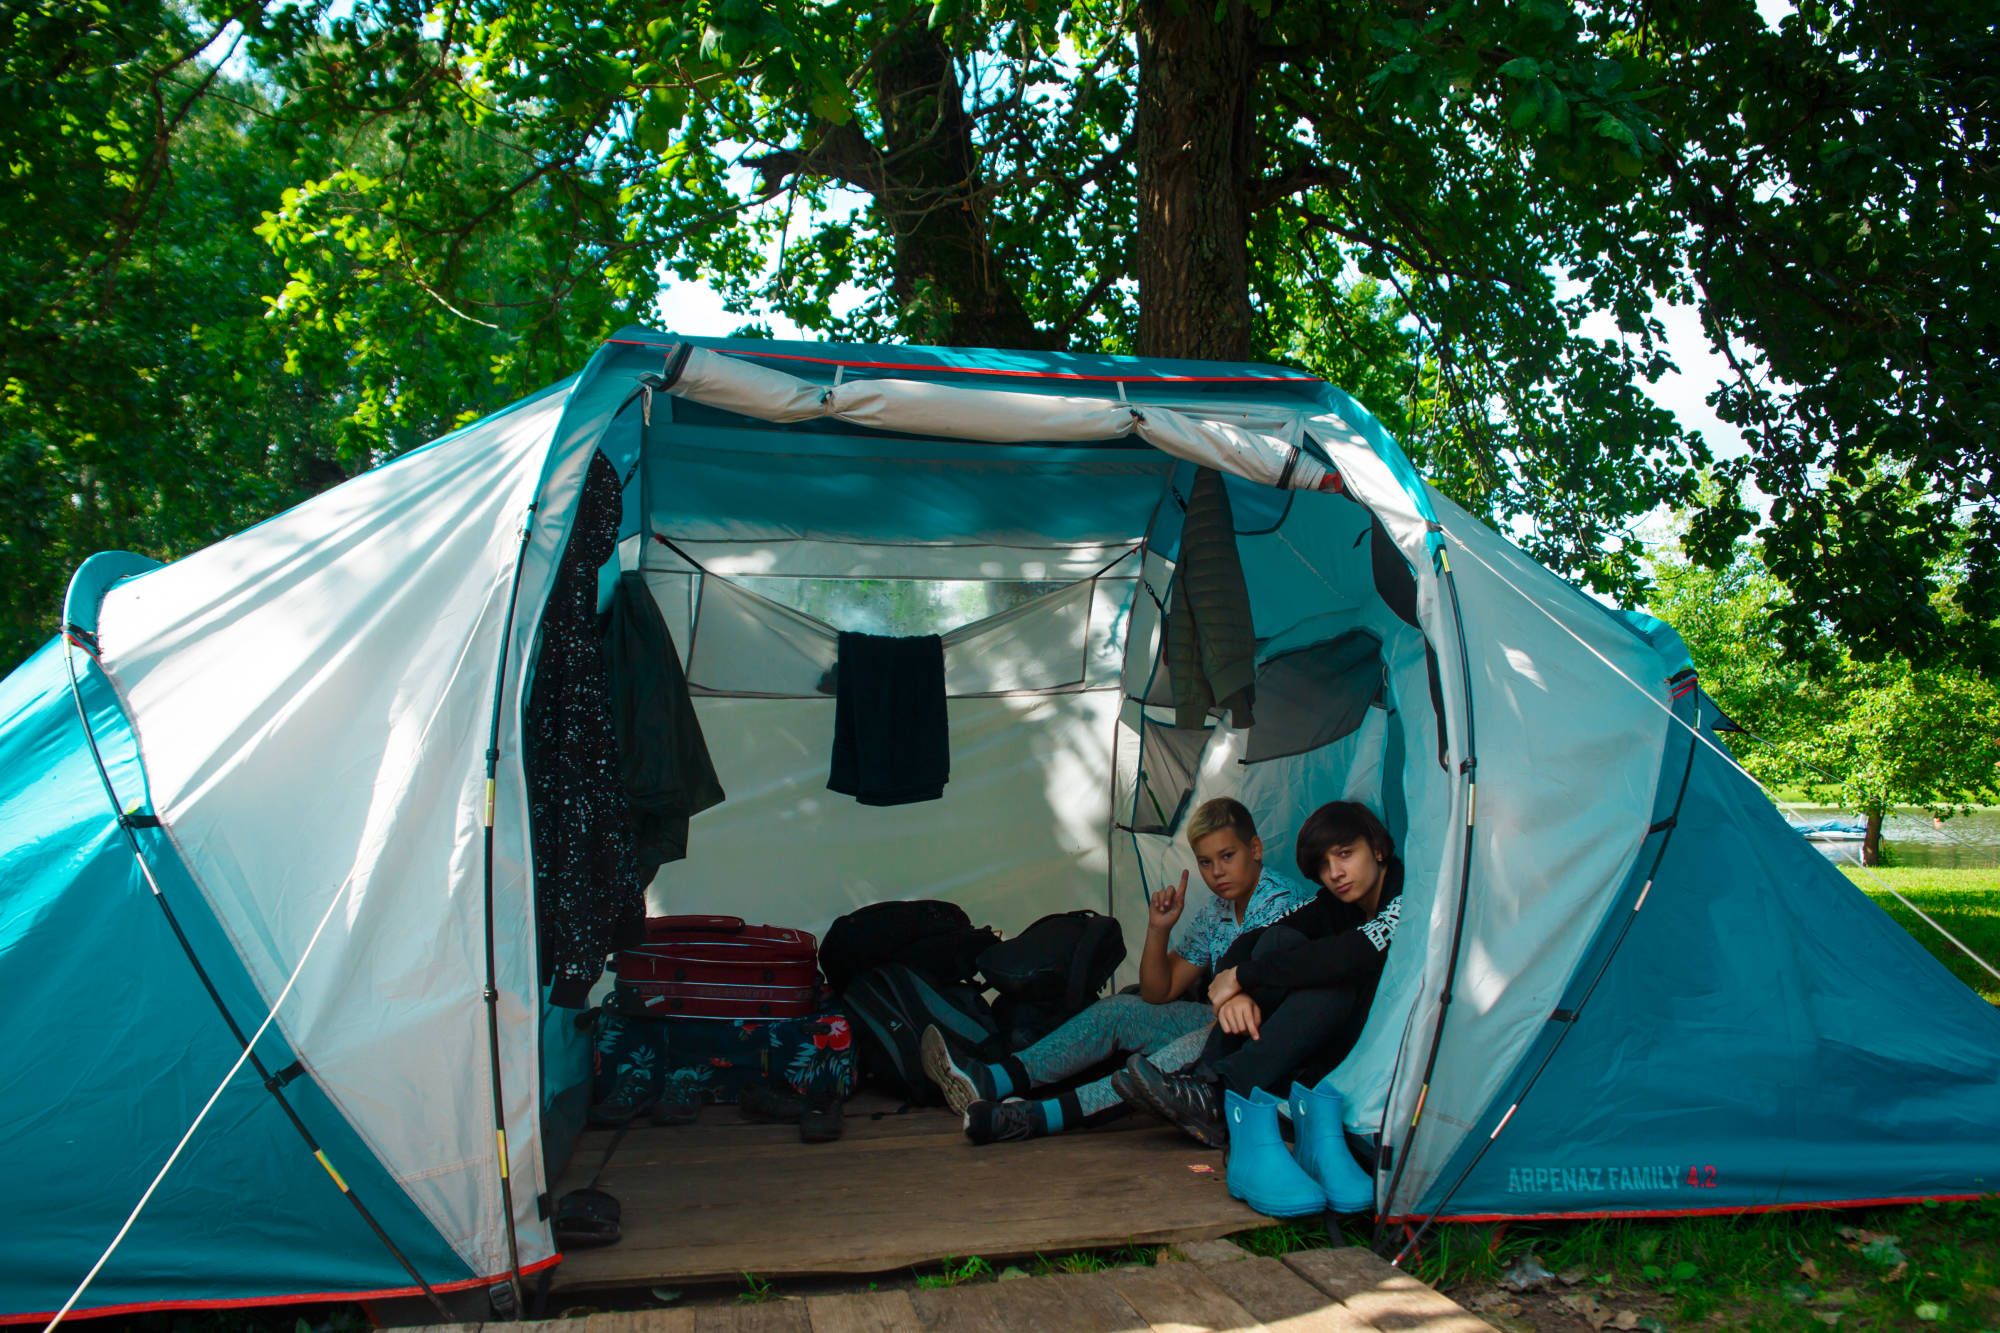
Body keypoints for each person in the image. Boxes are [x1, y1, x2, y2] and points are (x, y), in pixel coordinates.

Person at [921, 796, 1314, 1143]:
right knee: (1120, 1010)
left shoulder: (1282, 902)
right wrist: (1159, 929)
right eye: (1206, 862)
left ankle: (1033, 1118)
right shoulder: (1218, 911)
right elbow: (1158, 993)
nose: (1217, 872)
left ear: (1256, 849)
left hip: (1258, 1039)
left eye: (1228, 857)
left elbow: (1267, 1005)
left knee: (1182, 1051)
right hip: (1216, 1021)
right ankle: (992, 1080)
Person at [1120, 800, 1404, 1146]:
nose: (1335, 873)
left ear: (1376, 849)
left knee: (1331, 980)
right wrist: (1232, 989)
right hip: (1306, 1041)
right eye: (1324, 864)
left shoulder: (1404, 897)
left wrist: (1245, 977)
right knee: (1279, 940)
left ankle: (1219, 1093)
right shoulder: (1336, 901)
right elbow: (1256, 939)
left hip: (1368, 1044)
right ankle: (1209, 1087)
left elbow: (1348, 956)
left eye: (1345, 854)